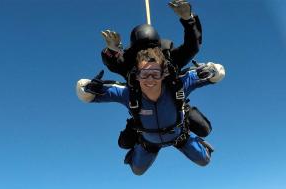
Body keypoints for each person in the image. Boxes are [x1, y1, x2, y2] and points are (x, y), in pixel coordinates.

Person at [76, 47, 225, 175]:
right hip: (148, 142)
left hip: (180, 136)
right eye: (144, 75)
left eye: (155, 74)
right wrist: (89, 88)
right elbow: (84, 94)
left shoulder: (178, 86)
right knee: (137, 171)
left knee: (204, 160)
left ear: (164, 74)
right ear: (137, 76)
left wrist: (210, 70)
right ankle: (134, 148)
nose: (150, 80)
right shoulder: (128, 94)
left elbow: (218, 72)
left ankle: (200, 143)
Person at [99, 0, 213, 149]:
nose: (147, 56)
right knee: (124, 143)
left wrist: (189, 19)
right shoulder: (131, 66)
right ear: (133, 53)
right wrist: (112, 51)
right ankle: (144, 142)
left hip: (173, 108)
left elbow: (191, 46)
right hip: (146, 117)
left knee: (204, 129)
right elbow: (114, 64)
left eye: (152, 49)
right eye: (140, 52)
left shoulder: (169, 60)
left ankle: (185, 135)